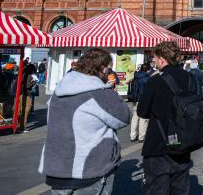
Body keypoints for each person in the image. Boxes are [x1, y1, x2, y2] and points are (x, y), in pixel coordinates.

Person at [39, 48, 130, 194]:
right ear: (102, 68)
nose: (109, 72)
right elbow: (123, 117)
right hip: (89, 169)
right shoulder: (99, 92)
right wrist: (110, 92)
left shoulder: (59, 90)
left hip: (57, 168)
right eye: (109, 68)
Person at [137, 41, 202, 194]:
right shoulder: (190, 78)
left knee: (157, 188)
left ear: (162, 59)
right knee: (180, 188)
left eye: (155, 58)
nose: (153, 61)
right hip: (183, 142)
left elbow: (142, 111)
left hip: (159, 144)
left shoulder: (155, 80)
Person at [128, 63, 150, 142]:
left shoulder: (135, 77)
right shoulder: (147, 78)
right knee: (143, 118)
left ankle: (132, 136)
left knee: (135, 118)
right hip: (143, 100)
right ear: (147, 70)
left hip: (135, 100)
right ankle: (141, 137)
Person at [18, 63, 36, 132]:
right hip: (26, 95)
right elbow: (28, 86)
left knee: (20, 110)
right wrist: (33, 82)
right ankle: (22, 127)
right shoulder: (29, 76)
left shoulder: (22, 74)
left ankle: (18, 126)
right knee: (25, 112)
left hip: (20, 94)